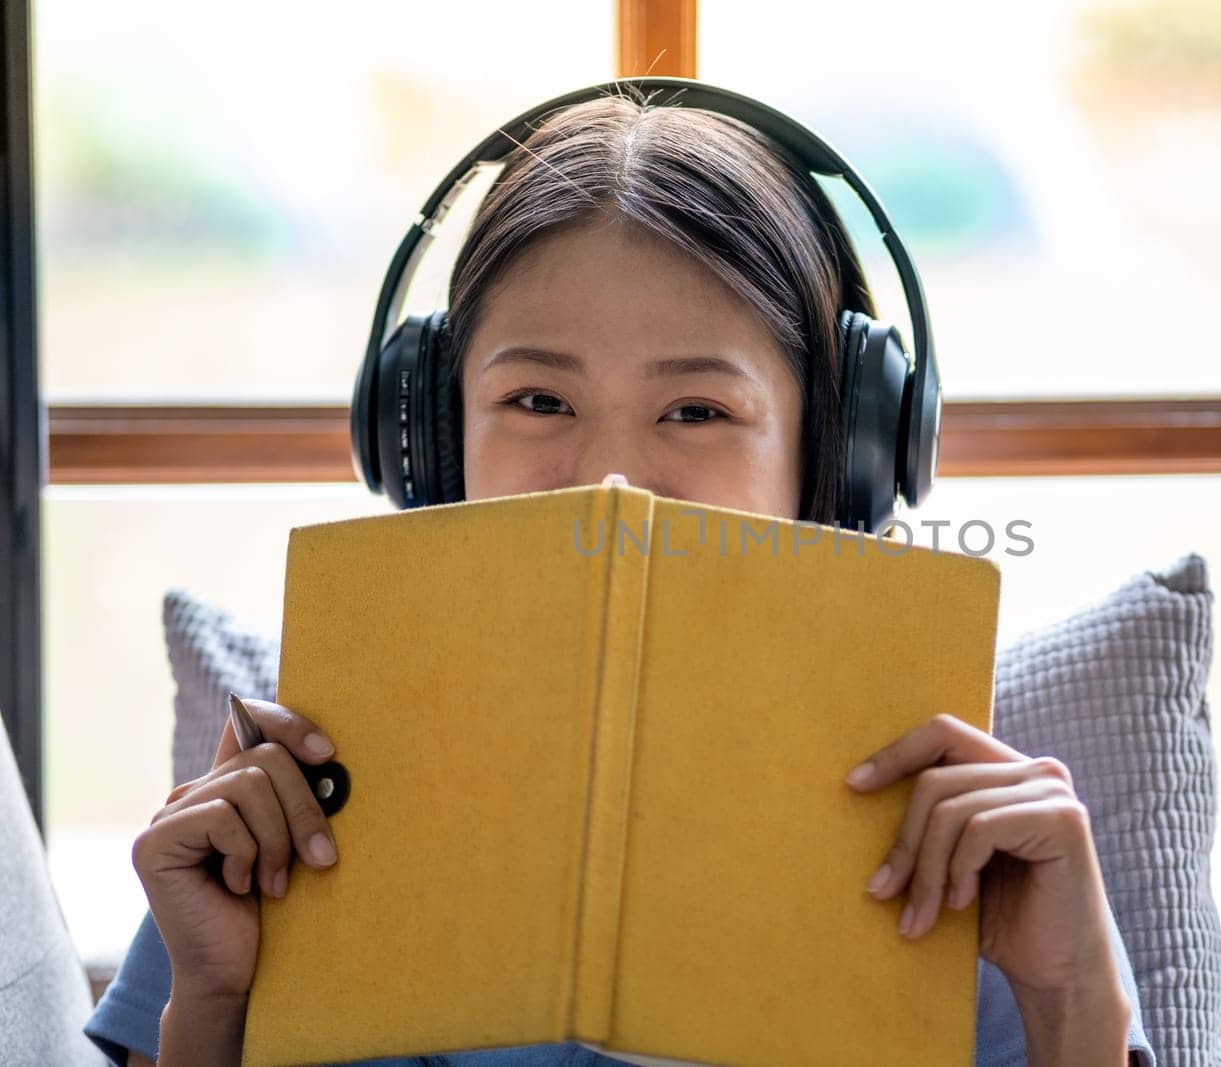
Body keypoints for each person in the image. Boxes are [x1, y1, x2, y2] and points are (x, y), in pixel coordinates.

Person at [83, 86, 1156, 1067]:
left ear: (835, 455)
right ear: (434, 440)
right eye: (539, 400)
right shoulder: (291, 810)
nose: (610, 480)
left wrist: (1072, 1002)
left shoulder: (959, 852)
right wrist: (211, 1003)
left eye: (697, 411)